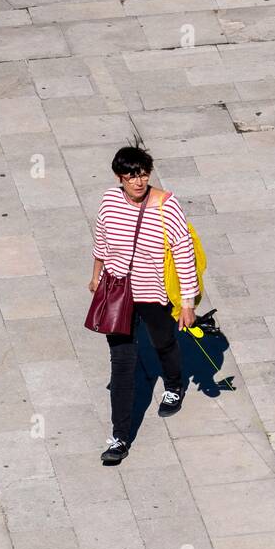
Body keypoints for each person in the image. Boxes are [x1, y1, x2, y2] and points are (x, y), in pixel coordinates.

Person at [90, 144, 198, 465]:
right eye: (131, 176)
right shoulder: (110, 202)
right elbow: (102, 240)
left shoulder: (167, 206)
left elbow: (183, 252)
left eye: (143, 174)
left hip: (153, 292)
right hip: (118, 294)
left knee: (163, 342)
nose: (138, 181)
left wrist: (188, 302)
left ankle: (175, 384)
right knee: (122, 363)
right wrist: (96, 275)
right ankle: (120, 437)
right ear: (118, 177)